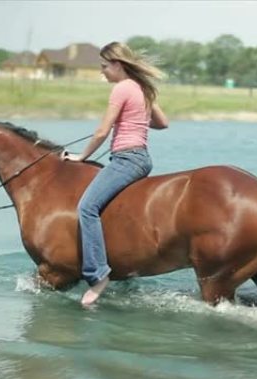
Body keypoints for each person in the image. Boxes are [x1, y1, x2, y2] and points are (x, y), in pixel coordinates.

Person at [62, 42, 169, 306]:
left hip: (127, 159)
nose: (103, 73)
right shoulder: (141, 88)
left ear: (118, 65)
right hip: (142, 158)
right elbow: (163, 123)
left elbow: (101, 131)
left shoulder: (122, 89)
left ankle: (98, 276)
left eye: (104, 67)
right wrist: (138, 117)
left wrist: (81, 157)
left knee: (87, 207)